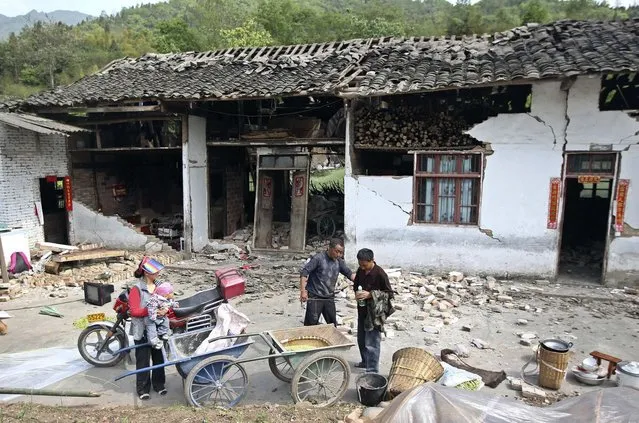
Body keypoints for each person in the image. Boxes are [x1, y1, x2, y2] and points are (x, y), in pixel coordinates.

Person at [128, 257, 168, 400]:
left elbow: (167, 302)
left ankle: (159, 384)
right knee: (143, 360)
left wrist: (164, 310)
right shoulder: (136, 289)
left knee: (159, 359)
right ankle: (143, 389)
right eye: (155, 271)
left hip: (157, 329)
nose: (158, 273)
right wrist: (151, 311)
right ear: (146, 273)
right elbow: (134, 311)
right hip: (142, 330)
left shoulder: (160, 286)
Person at [353, 248, 394, 374]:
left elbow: (389, 294)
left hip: (375, 314)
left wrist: (370, 294)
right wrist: (357, 294)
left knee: (372, 342)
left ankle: (372, 370)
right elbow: (355, 286)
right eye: (360, 265)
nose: (363, 268)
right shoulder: (360, 271)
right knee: (361, 339)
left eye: (365, 265)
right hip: (362, 310)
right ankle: (365, 361)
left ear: (372, 260)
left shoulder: (380, 273)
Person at [300, 238, 355, 326]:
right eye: (337, 251)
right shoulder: (318, 258)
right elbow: (304, 273)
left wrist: (360, 281)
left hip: (329, 297)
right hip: (315, 297)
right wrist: (303, 291)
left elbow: (349, 274)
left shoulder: (339, 262)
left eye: (341, 252)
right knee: (311, 325)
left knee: (332, 324)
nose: (339, 255)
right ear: (330, 248)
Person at [145, 282, 179, 349]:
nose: (173, 294)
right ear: (166, 295)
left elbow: (171, 303)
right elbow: (151, 308)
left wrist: (175, 305)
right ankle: (154, 343)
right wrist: (153, 316)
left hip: (161, 317)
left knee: (166, 322)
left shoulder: (167, 299)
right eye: (171, 293)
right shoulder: (155, 299)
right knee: (152, 330)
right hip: (152, 318)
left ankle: (163, 333)